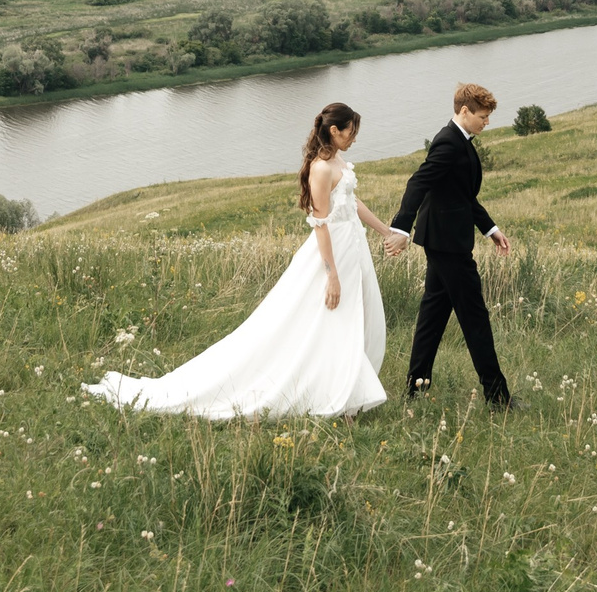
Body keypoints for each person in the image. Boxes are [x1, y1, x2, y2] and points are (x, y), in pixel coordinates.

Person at [84, 102, 398, 418]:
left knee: (352, 318)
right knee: (322, 320)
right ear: (334, 131)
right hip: (333, 253)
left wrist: (385, 231)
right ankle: (332, 392)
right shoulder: (320, 168)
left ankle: (346, 390)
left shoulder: (338, 160)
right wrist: (331, 274)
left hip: (352, 246)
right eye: (351, 132)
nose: (354, 138)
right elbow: (321, 224)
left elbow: (350, 201)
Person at [384, 82, 513, 407]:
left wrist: (490, 229)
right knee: (475, 317)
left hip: (444, 239)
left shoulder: (462, 141)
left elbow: (462, 195)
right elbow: (418, 182)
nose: (487, 122)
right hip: (447, 244)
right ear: (464, 111)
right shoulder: (448, 143)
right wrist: (400, 227)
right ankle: (497, 397)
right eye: (483, 116)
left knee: (433, 315)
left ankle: (415, 389)